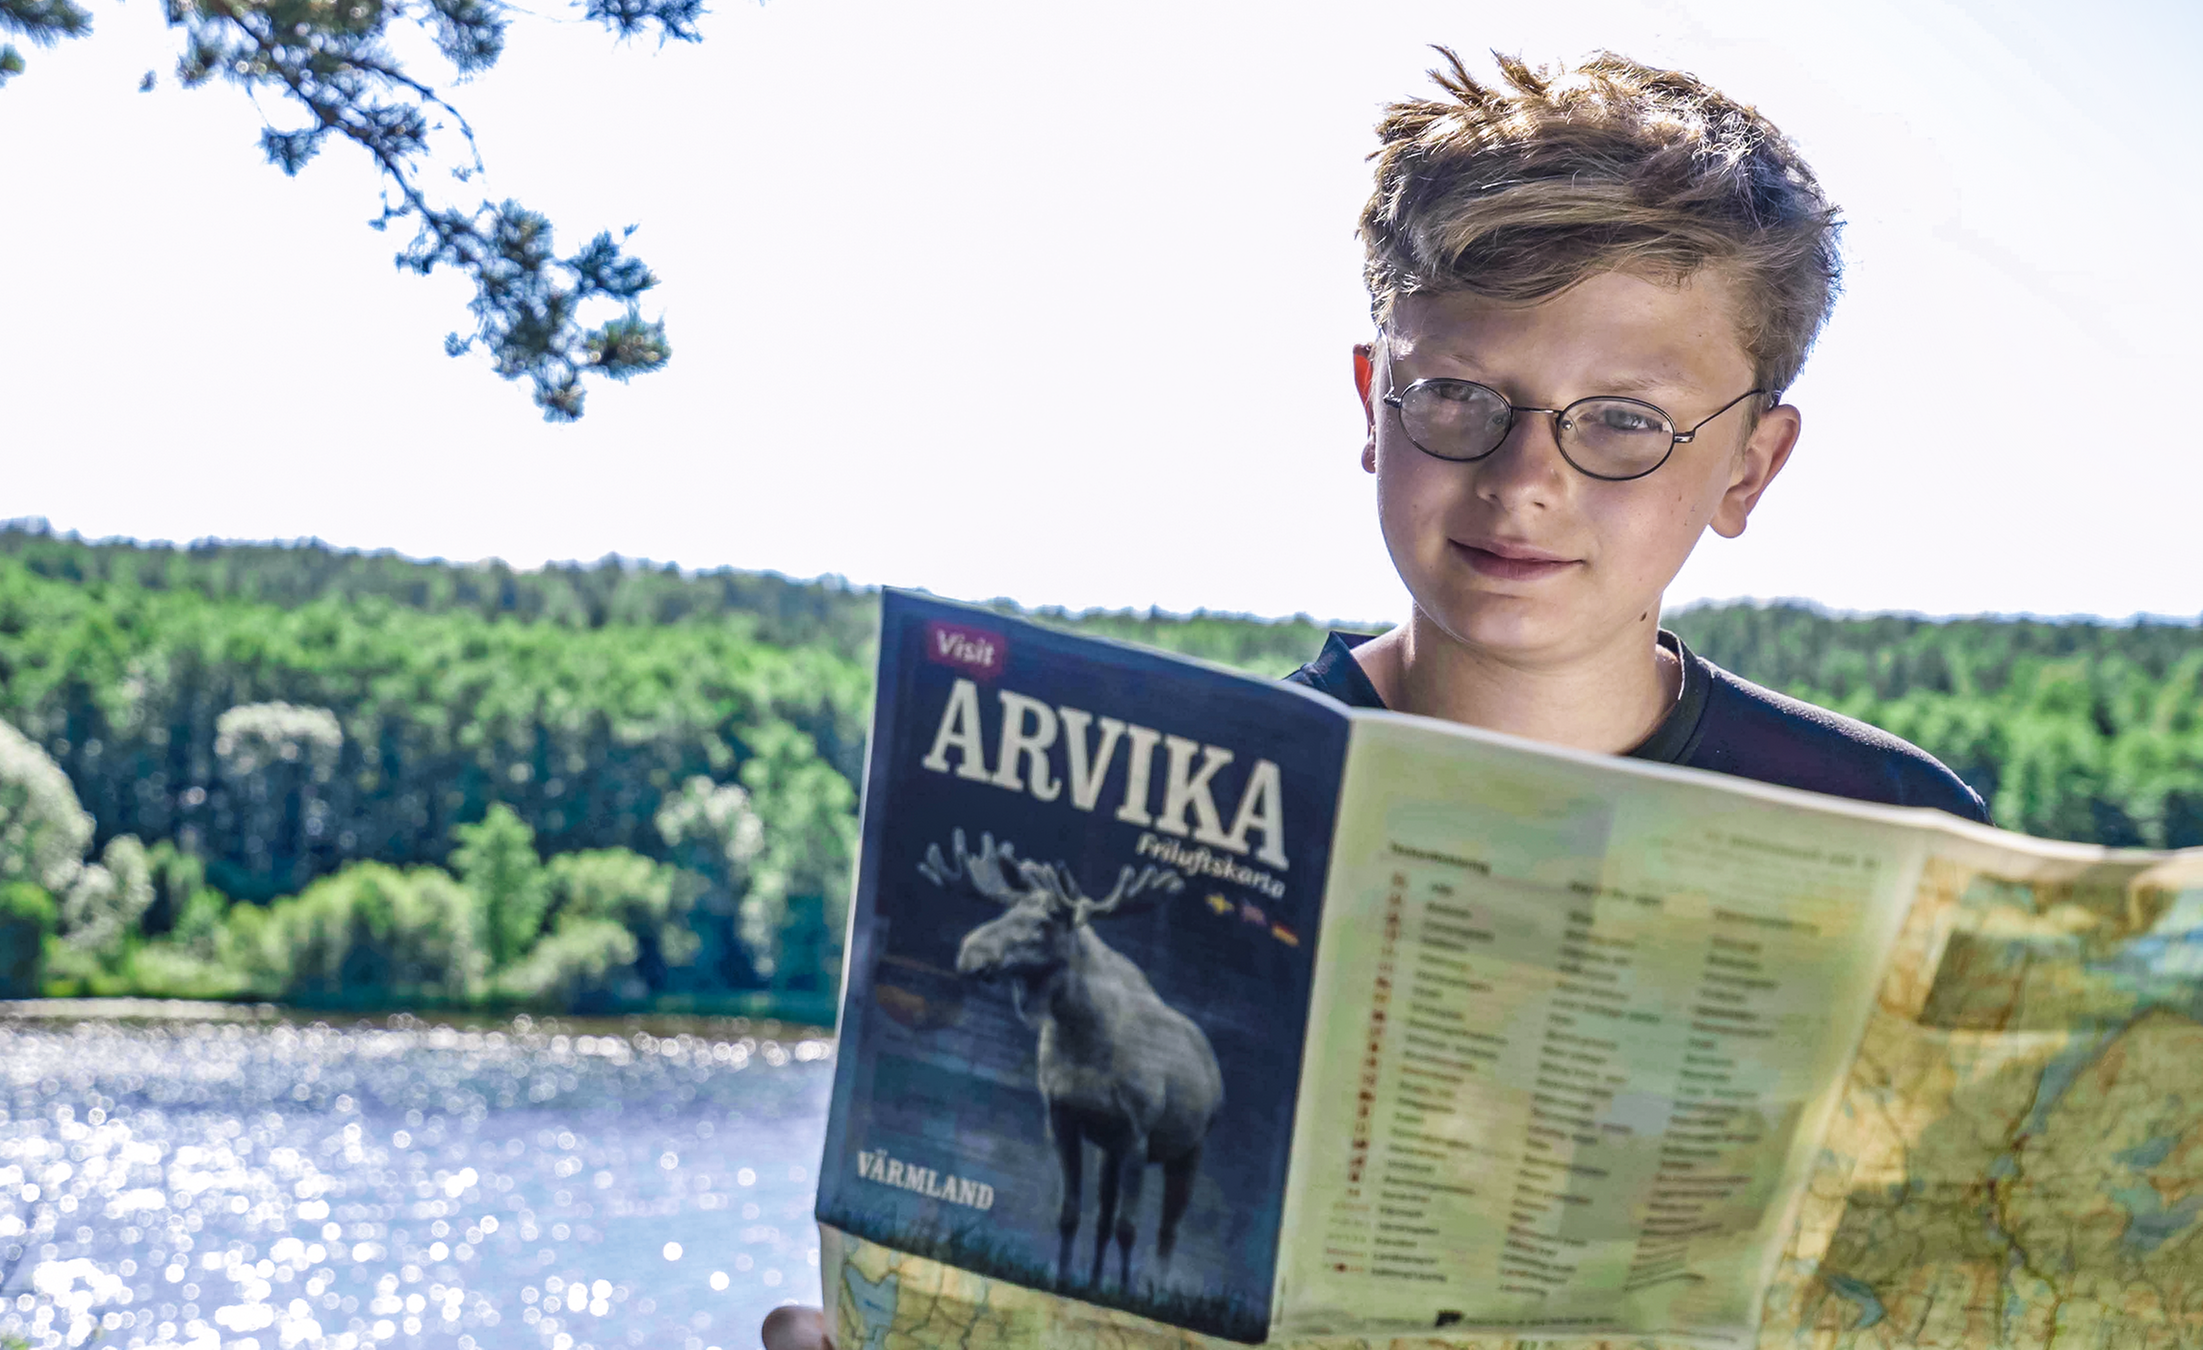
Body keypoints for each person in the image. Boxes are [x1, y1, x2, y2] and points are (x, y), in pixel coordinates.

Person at [765, 42, 1981, 1350]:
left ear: (1750, 466)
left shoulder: (1891, 824)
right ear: (1373, 399)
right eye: (1461, 395)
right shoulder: (1182, 811)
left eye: (1624, 420)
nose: (1526, 479)